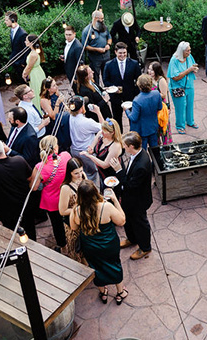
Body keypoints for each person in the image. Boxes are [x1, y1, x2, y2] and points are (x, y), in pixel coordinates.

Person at [70, 179, 127, 303]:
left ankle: (103, 292)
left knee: (96, 268)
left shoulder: (77, 210)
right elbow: (122, 221)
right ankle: (120, 292)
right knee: (114, 264)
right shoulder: (106, 206)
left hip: (90, 246)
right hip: (109, 244)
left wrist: (75, 206)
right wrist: (115, 200)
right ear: (95, 192)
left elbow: (74, 227)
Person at [0, 138, 36, 240]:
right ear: (4, 149)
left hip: (6, 211)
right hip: (25, 205)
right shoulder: (19, 160)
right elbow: (30, 178)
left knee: (12, 235)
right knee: (30, 230)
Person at [110, 131, 154, 260]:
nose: (123, 147)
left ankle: (145, 248)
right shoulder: (136, 155)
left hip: (138, 200)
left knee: (140, 223)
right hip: (130, 198)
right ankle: (132, 239)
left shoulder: (142, 164)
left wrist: (118, 170)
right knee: (128, 219)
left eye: (125, 145)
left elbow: (131, 185)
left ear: (131, 147)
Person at [30, 136, 71, 250]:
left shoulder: (39, 167)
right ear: (56, 148)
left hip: (51, 200)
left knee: (56, 224)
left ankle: (62, 245)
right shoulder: (66, 156)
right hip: (67, 195)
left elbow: (34, 187)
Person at [102, 41, 141, 130]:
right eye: (120, 53)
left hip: (130, 95)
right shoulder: (109, 65)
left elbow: (139, 79)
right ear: (115, 52)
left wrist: (136, 93)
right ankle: (119, 137)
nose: (122, 55)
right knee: (117, 118)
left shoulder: (134, 63)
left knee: (133, 118)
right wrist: (114, 88)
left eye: (124, 53)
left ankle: (133, 136)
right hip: (115, 96)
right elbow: (105, 80)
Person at [68, 96, 105, 185]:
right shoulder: (87, 122)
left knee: (81, 172)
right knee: (92, 174)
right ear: (81, 108)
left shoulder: (69, 117)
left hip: (74, 150)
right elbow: (105, 127)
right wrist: (98, 112)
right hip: (87, 151)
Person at [82, 118, 124, 189]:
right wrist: (90, 150)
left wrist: (89, 156)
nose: (102, 132)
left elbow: (105, 165)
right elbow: (92, 147)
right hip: (101, 171)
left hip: (111, 173)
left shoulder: (115, 145)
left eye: (105, 131)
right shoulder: (101, 135)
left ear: (112, 132)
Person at [58, 157, 86, 263]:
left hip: (84, 221)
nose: (80, 175)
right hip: (73, 224)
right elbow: (62, 211)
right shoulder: (66, 188)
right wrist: (79, 209)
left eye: (81, 171)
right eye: (76, 173)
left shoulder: (83, 177)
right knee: (76, 250)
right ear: (70, 173)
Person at [168, 41, 199, 134]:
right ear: (181, 51)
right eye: (187, 51)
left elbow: (193, 66)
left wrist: (194, 69)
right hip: (178, 87)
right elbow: (175, 77)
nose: (189, 52)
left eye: (190, 50)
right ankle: (180, 126)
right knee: (180, 107)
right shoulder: (174, 60)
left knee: (189, 105)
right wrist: (189, 70)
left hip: (189, 85)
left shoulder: (189, 57)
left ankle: (190, 122)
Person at [126, 74, 163, 149]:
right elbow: (160, 108)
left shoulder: (137, 100)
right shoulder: (156, 93)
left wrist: (126, 110)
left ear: (139, 86)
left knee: (142, 151)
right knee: (155, 149)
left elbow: (133, 118)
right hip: (153, 127)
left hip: (141, 130)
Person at [39, 77, 71, 152]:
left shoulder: (56, 93)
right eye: (53, 86)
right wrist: (57, 103)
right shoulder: (44, 100)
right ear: (48, 89)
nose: (56, 86)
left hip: (63, 119)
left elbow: (63, 106)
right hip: (55, 125)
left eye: (56, 84)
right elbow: (53, 116)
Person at [81, 10, 112, 85]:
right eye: (101, 19)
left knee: (107, 73)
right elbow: (85, 46)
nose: (102, 20)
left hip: (106, 55)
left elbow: (109, 37)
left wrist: (108, 44)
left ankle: (109, 88)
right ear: (95, 18)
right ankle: (97, 90)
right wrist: (97, 49)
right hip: (95, 58)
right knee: (95, 76)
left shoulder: (104, 27)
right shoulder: (86, 31)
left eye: (103, 18)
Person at [147, 61, 172, 145]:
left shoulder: (161, 80)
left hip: (161, 107)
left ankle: (166, 146)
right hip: (153, 107)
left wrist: (152, 94)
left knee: (163, 127)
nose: (149, 72)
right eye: (149, 69)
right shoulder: (150, 79)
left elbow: (164, 95)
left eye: (152, 70)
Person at [21, 34, 46, 109]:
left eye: (27, 41)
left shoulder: (33, 54)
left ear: (31, 43)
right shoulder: (33, 51)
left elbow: (29, 67)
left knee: (37, 91)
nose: (25, 42)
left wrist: (24, 74)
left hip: (35, 75)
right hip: (36, 72)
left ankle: (40, 109)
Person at [4, 11, 27, 82]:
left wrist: (22, 63)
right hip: (15, 63)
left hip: (21, 65)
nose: (5, 22)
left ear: (13, 20)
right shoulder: (12, 31)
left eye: (6, 20)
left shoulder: (22, 34)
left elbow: (27, 50)